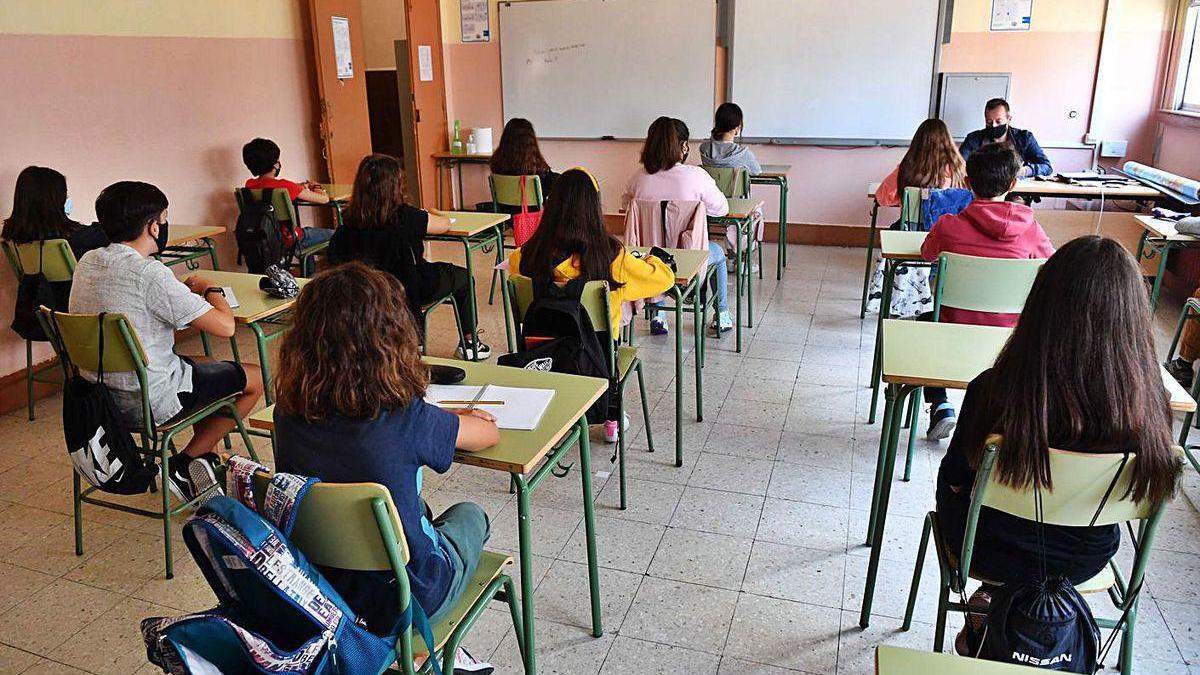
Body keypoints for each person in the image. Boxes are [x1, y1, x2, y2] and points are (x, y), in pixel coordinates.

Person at [937, 235, 1179, 654]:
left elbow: (957, 480)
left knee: (957, 485)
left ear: (1040, 307)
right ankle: (1024, 614)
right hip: (1085, 559)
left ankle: (995, 605)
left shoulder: (994, 390)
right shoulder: (1151, 403)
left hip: (990, 552)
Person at [272, 262, 497, 673]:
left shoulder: (287, 411)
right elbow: (487, 436)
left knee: (413, 511)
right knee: (471, 516)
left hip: (321, 587)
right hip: (408, 595)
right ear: (392, 338)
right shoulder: (407, 418)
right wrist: (459, 416)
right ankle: (427, 651)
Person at [69, 181, 264, 500]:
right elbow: (225, 327)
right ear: (153, 225)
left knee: (207, 366)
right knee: (253, 376)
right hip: (149, 401)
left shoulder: (87, 262)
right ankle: (183, 463)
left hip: (101, 402)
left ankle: (202, 465)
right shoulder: (150, 274)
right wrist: (210, 288)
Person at [509, 168, 676, 442]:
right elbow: (662, 280)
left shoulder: (525, 256)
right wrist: (654, 261)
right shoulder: (610, 256)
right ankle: (611, 416)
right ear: (593, 209)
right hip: (597, 355)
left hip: (540, 352)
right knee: (617, 344)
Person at [919, 143, 1055, 440]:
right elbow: (1050, 266)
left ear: (967, 183)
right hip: (1011, 339)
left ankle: (940, 403)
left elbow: (926, 253)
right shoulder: (1032, 229)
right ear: (1013, 183)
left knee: (922, 321)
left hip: (952, 331)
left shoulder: (948, 226)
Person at [328, 154, 490, 360]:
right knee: (463, 277)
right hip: (408, 290)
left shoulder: (347, 222)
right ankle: (469, 342)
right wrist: (436, 212)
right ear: (395, 186)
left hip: (364, 296)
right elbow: (445, 224)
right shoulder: (406, 217)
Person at [623, 116, 732, 336]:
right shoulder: (696, 176)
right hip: (686, 262)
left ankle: (659, 315)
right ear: (683, 146)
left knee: (657, 246)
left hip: (648, 261)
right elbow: (722, 209)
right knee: (718, 253)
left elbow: (626, 207)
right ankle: (721, 313)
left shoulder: (638, 179)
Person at [241, 137, 334, 249]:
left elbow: (270, 187)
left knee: (307, 242)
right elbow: (324, 199)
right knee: (335, 234)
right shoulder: (286, 186)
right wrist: (316, 186)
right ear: (275, 165)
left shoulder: (249, 185)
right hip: (290, 239)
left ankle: (308, 266)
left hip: (264, 238)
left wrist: (298, 187)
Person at [3, 166, 108, 258]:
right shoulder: (74, 237)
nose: (67, 198)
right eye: (64, 194)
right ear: (54, 200)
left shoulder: (12, 233)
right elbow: (110, 234)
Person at [874, 119, 968, 208]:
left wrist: (902, 198)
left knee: (897, 225)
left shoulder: (907, 167)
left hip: (911, 224)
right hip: (948, 224)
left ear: (917, 141)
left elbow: (882, 197)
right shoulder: (958, 169)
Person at [959, 98, 1052, 178]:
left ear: (1009, 119)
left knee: (1017, 200)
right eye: (989, 122)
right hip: (983, 191)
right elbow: (958, 164)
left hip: (1015, 191)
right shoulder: (974, 139)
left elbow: (1046, 167)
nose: (994, 125)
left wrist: (1024, 171)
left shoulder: (1024, 138)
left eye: (998, 121)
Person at [488, 117, 559, 211]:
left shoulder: (497, 165)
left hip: (506, 217)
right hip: (532, 218)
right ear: (531, 142)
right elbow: (553, 185)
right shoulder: (538, 170)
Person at [699, 102, 762, 176]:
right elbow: (757, 172)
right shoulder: (744, 155)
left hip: (710, 187)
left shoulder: (704, 149)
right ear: (738, 127)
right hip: (734, 188)